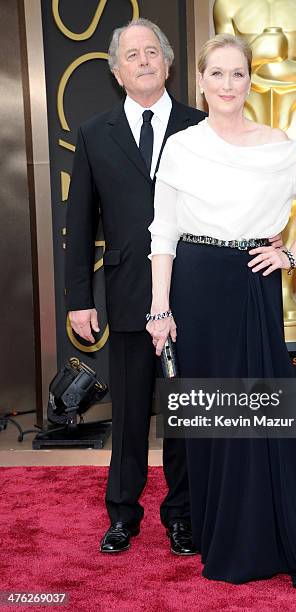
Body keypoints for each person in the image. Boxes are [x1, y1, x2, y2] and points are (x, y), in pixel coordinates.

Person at [147, 33, 296, 595]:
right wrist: (160, 307)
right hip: (195, 286)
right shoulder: (180, 146)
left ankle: (265, 537)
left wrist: (290, 254)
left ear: (251, 82)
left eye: (238, 74)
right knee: (209, 419)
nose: (228, 85)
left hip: (252, 287)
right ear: (199, 80)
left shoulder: (277, 145)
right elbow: (163, 234)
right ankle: (221, 533)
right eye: (217, 74)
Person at [65, 19, 283, 556]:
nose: (143, 61)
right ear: (117, 72)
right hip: (131, 293)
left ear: (168, 64)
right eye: (131, 55)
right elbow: (79, 221)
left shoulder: (204, 123)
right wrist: (77, 300)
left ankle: (183, 515)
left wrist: (275, 233)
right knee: (131, 412)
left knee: (191, 414)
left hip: (198, 293)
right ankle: (123, 515)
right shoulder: (95, 132)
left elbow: (248, 196)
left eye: (152, 53)